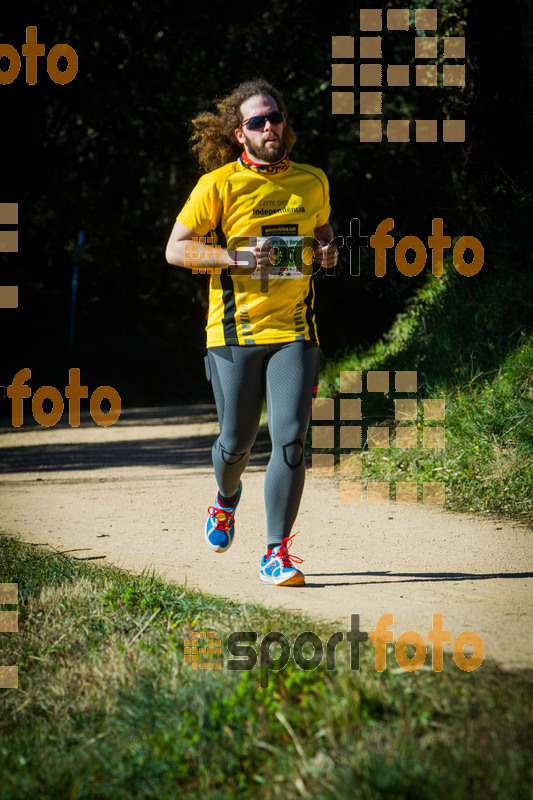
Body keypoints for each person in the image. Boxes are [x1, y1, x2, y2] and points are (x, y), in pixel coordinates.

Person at [165, 79, 336, 586]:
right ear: (240, 134)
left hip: (294, 332)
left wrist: (327, 251)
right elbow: (177, 249)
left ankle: (275, 553)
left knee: (290, 442)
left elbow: (323, 234)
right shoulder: (217, 185)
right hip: (234, 334)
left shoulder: (312, 180)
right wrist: (234, 257)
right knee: (236, 443)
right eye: (257, 122)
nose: (269, 127)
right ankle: (225, 500)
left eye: (275, 117)